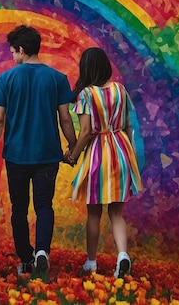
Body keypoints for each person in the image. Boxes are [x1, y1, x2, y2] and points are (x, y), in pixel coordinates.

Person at [0, 24, 77, 275]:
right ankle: (42, 251)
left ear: (21, 50)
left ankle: (25, 257)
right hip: (48, 155)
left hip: (17, 155)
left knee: (19, 208)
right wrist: (73, 147)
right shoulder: (57, 79)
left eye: (13, 52)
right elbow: (65, 119)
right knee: (44, 205)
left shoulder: (7, 79)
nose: (13, 57)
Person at [64, 47, 143, 278]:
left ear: (86, 68)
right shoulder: (120, 89)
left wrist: (74, 155)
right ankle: (123, 256)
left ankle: (91, 262)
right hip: (122, 151)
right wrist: (128, 155)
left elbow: (87, 131)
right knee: (117, 214)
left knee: (94, 213)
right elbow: (128, 126)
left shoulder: (86, 94)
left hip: (99, 152)